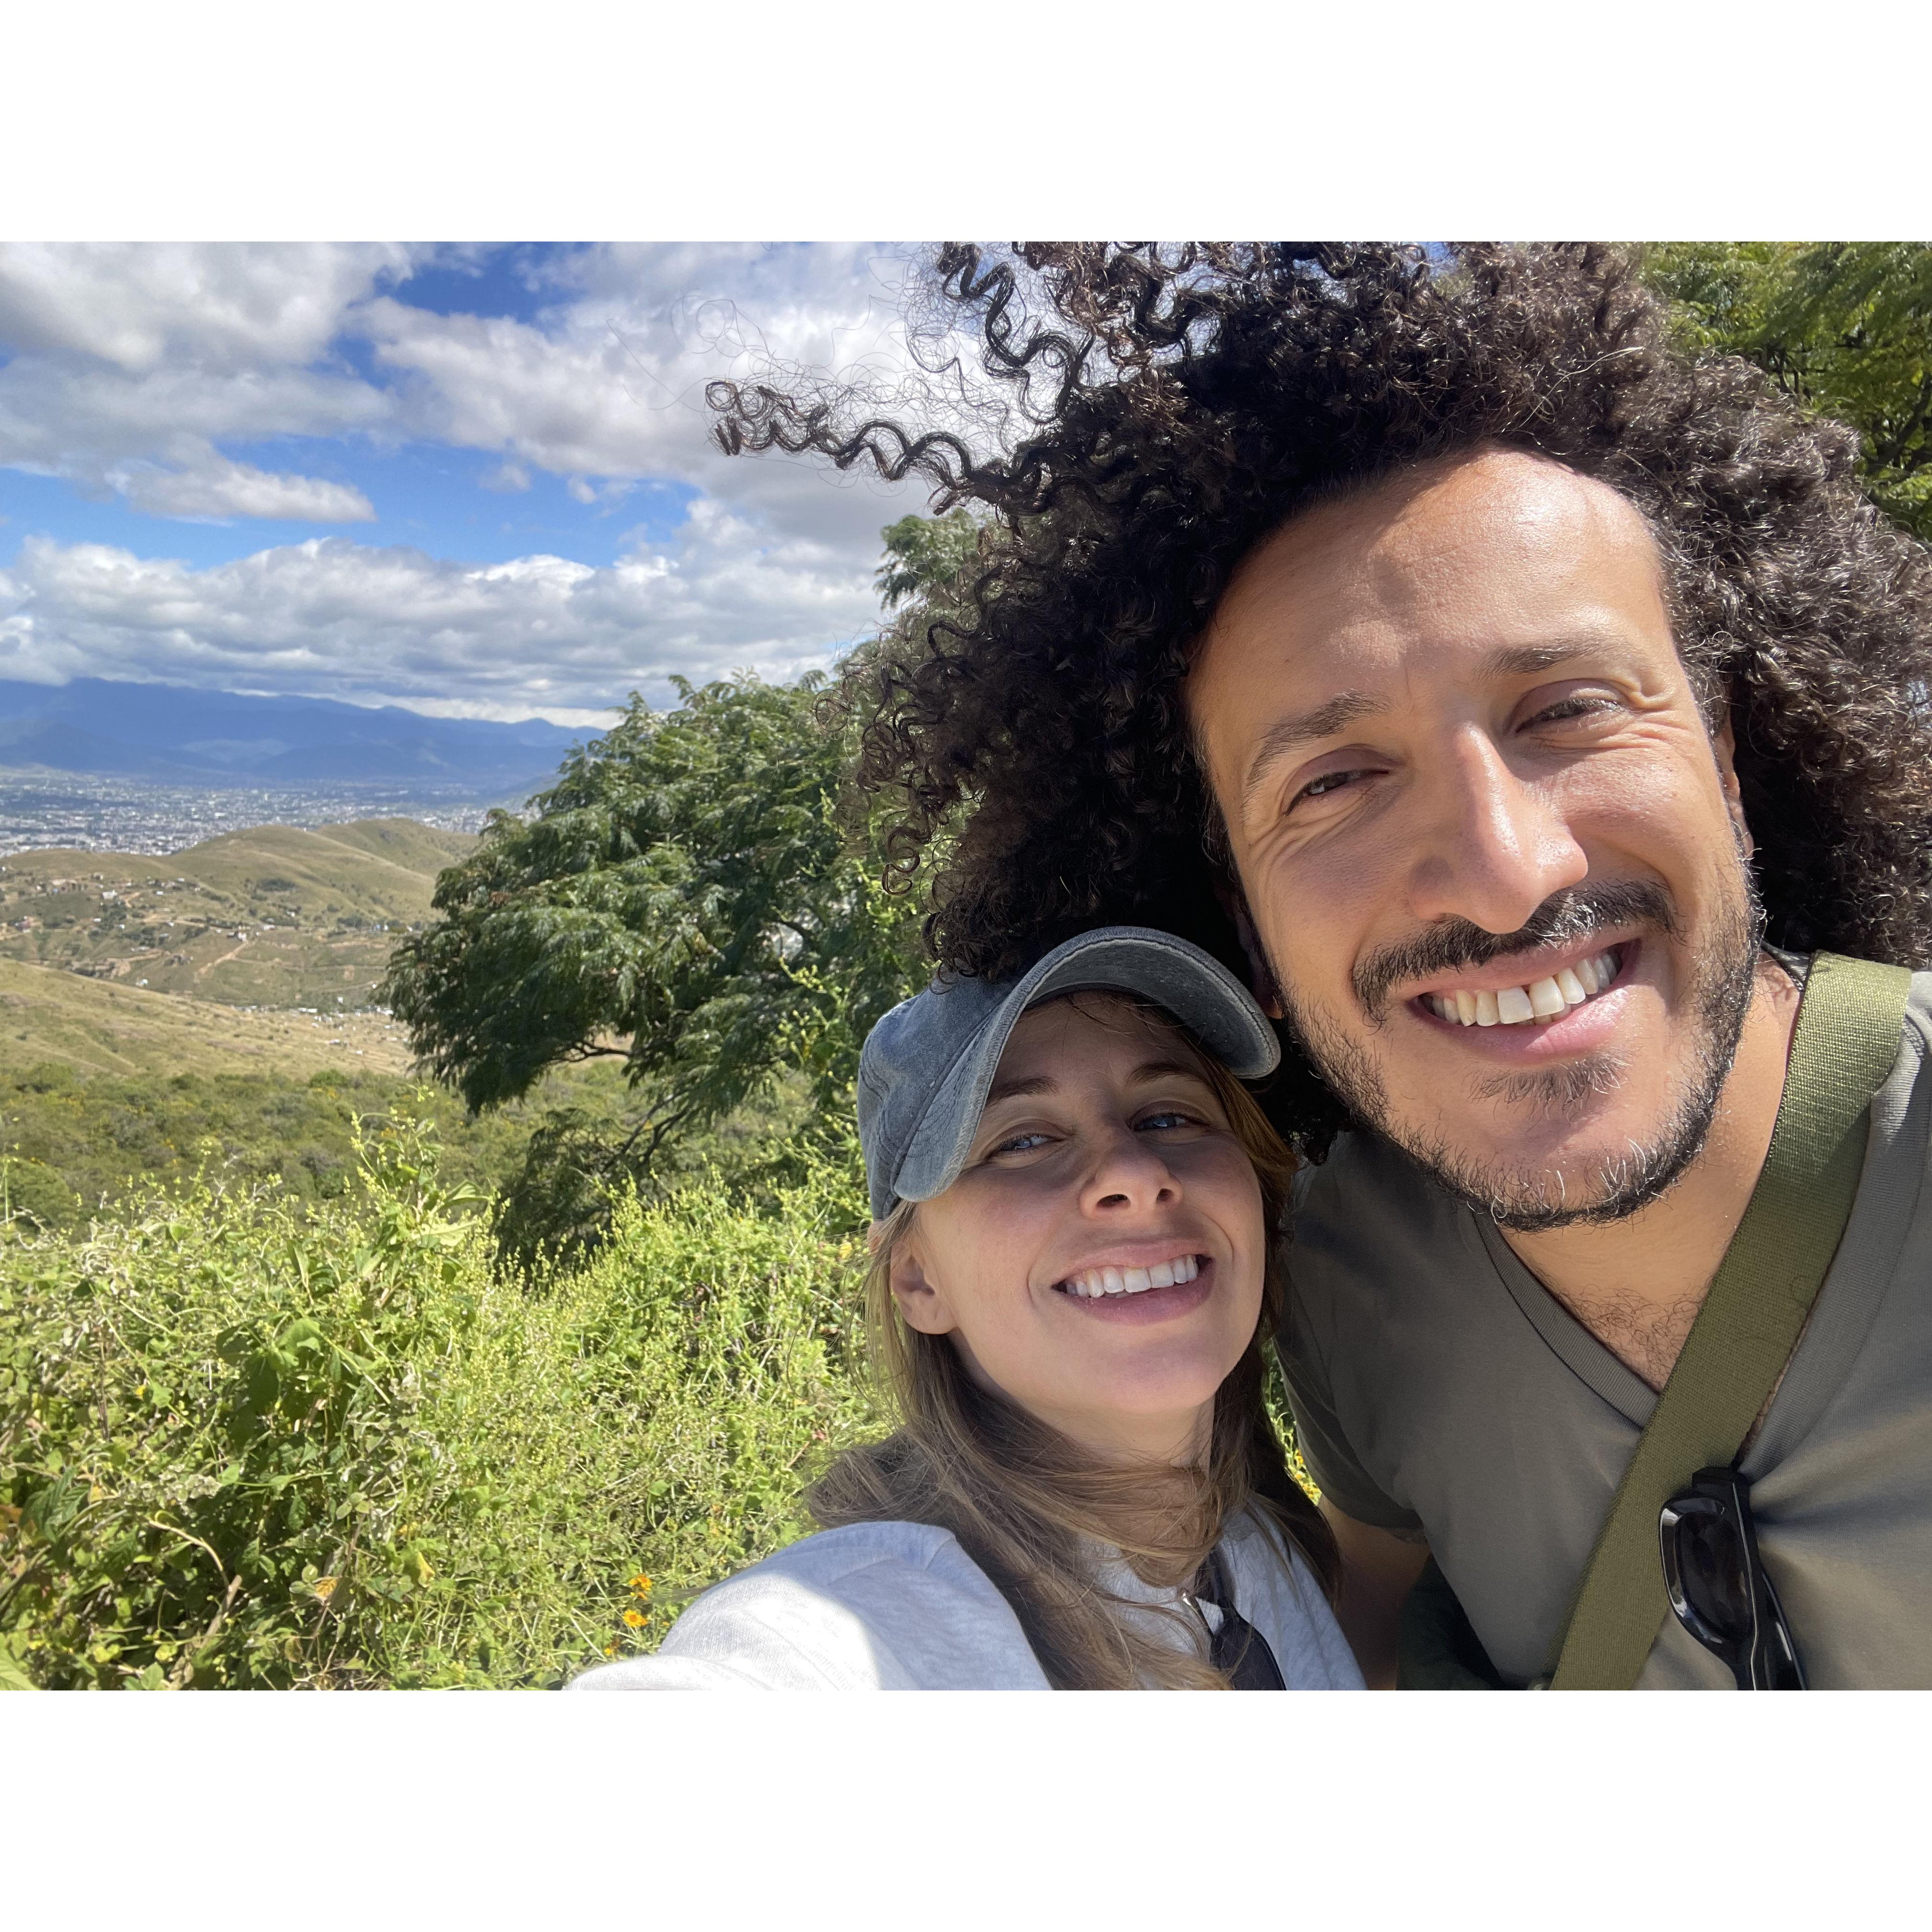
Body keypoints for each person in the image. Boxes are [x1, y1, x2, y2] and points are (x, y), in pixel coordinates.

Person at [710, 244, 1932, 1688]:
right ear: (1249, 927)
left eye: (1570, 708)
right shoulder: (1351, 1286)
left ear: (1726, 758)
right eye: (1336, 781)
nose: (1507, 869)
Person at [572, 926, 1362, 1691]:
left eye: (1169, 1116)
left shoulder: (1265, 1551)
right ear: (919, 1279)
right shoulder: (847, 1632)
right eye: (1023, 1141)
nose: (1134, 1172)